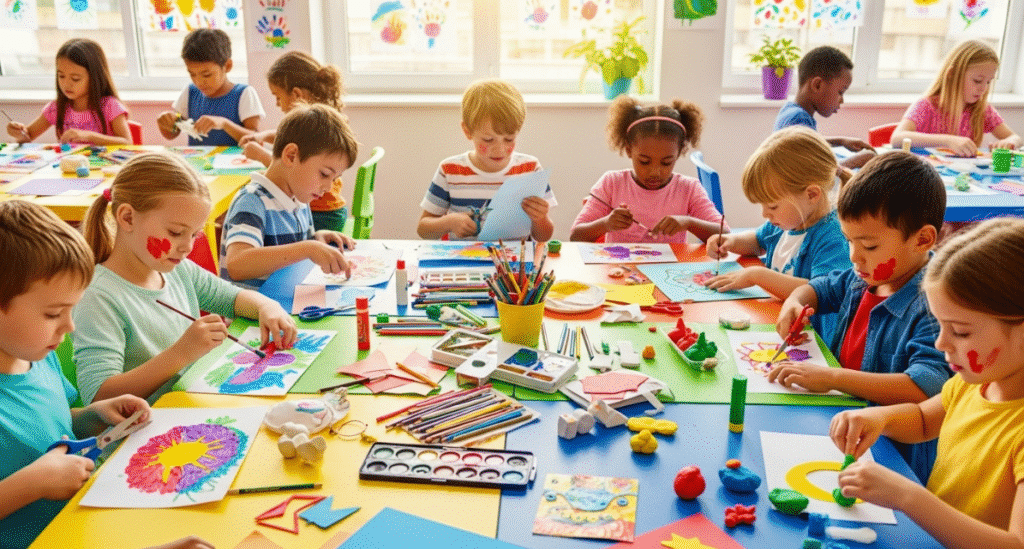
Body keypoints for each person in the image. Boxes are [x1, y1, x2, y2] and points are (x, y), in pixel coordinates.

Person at [0, 200, 208, 549]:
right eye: (53, 314)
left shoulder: (35, 357)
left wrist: (92, 417)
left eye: (72, 310)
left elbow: (45, 425)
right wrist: (30, 484)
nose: (69, 326)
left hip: (82, 529)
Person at [831, 218, 1024, 547]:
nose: (941, 344)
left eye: (960, 332)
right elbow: (923, 421)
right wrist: (879, 418)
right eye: (941, 327)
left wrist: (908, 497)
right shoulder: (973, 384)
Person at [770, 151, 951, 482]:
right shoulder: (863, 278)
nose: (854, 257)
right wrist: (794, 302)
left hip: (894, 458)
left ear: (922, 239)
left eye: (868, 246)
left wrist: (833, 378)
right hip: (842, 427)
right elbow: (820, 287)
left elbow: (922, 389)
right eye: (849, 241)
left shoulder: (937, 306)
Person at [73, 152, 295, 405]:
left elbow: (232, 299)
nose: (187, 247)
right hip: (138, 432)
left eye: (194, 235)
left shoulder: (178, 270)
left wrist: (267, 307)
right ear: (127, 217)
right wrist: (182, 353)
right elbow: (99, 397)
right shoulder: (98, 296)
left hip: (188, 405)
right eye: (176, 232)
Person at [705, 126, 851, 342]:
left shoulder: (833, 237)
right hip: (773, 323)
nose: (765, 213)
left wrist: (757, 275)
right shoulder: (787, 221)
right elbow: (756, 240)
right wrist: (730, 241)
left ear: (811, 194)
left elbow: (821, 292)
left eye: (772, 206)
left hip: (812, 342)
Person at [221, 103, 359, 289]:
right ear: (292, 156)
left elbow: (293, 251)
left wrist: (317, 239)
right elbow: (237, 265)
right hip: (253, 314)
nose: (328, 187)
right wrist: (307, 248)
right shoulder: (252, 200)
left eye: (335, 179)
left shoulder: (299, 198)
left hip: (284, 304)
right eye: (325, 174)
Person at [569, 95, 727, 243]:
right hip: (618, 271)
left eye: (666, 163)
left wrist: (689, 223)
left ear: (679, 152)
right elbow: (576, 236)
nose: (655, 172)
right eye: (644, 161)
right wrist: (606, 223)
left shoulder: (689, 189)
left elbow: (725, 235)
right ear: (629, 149)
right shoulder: (612, 183)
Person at [417, 79, 556, 241]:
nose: (499, 149)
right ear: (467, 131)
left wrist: (540, 219)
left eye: (509, 139)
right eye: (488, 140)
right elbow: (423, 230)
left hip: (513, 265)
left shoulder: (530, 169)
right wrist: (448, 222)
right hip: (463, 262)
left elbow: (544, 237)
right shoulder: (450, 170)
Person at [239, 51, 350, 232]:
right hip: (329, 210)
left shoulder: (320, 125)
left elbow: (293, 169)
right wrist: (264, 136)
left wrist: (261, 155)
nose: (277, 104)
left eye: (278, 97)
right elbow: (299, 144)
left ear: (297, 95)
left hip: (320, 214)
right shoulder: (324, 119)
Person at [891, 39, 1022, 156]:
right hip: (927, 178)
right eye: (977, 81)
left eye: (988, 82)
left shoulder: (982, 110)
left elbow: (1015, 138)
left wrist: (1009, 142)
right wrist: (947, 140)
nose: (984, 88)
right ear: (952, 74)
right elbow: (897, 138)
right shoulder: (926, 106)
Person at [5, 38, 130, 145]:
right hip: (68, 171)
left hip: (103, 170)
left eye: (75, 79)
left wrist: (88, 136)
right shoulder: (57, 107)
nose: (66, 84)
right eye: (61, 76)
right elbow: (28, 136)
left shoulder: (110, 106)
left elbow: (127, 142)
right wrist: (18, 132)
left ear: (95, 77)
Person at [773, 45, 875, 170]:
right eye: (840, 92)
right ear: (817, 85)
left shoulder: (791, 111)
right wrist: (857, 161)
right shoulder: (798, 118)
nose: (842, 100)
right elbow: (812, 172)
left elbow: (809, 144)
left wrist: (841, 141)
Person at [156, 28, 264, 146]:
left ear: (227, 66)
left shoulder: (244, 94)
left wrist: (224, 124)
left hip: (234, 163)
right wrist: (165, 122)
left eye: (206, 75)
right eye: (192, 74)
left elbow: (256, 140)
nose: (199, 82)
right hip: (197, 163)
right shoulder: (190, 92)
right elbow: (172, 134)